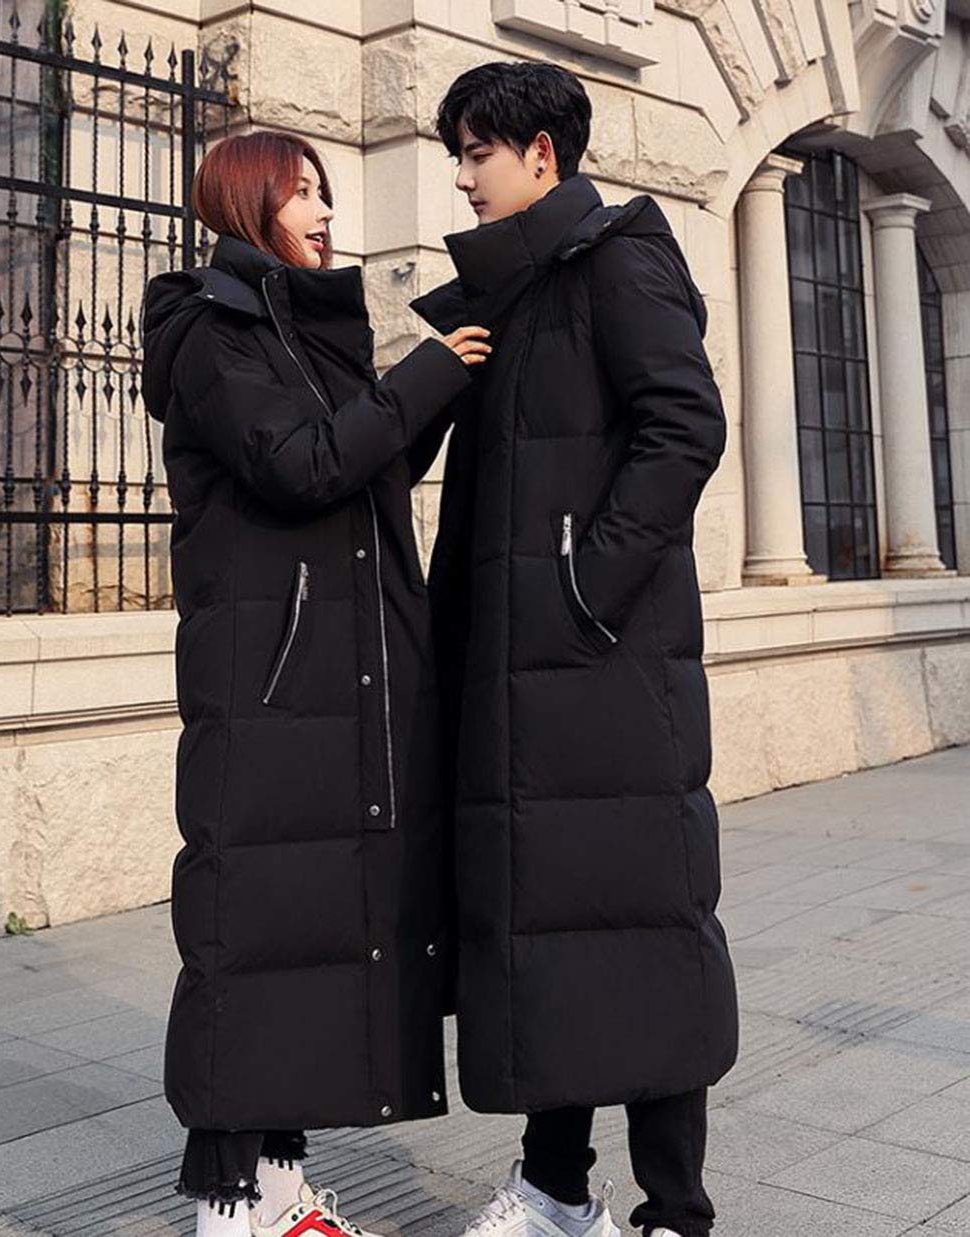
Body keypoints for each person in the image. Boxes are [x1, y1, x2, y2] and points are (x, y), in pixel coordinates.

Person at [408, 61, 739, 1237]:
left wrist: (585, 590)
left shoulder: (616, 261)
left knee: (639, 927)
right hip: (520, 680)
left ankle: (673, 1210)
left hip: (605, 670)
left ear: (539, 154)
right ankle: (554, 1185)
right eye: (457, 154)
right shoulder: (509, 292)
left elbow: (684, 424)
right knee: (548, 934)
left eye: (477, 153)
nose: (462, 177)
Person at [140, 129, 491, 1237]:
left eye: (326, 192)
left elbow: (364, 465)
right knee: (249, 933)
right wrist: (425, 375)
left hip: (338, 676)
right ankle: (226, 1203)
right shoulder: (211, 335)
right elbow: (301, 465)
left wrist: (435, 389)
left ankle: (278, 1189)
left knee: (307, 932)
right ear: (249, 205)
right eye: (302, 194)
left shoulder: (293, 325)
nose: (326, 212)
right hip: (269, 683)